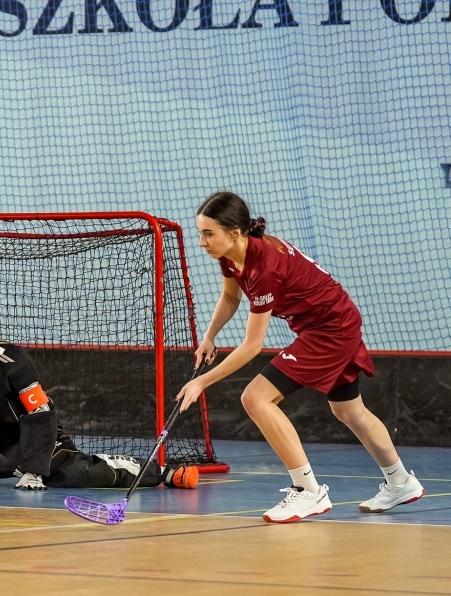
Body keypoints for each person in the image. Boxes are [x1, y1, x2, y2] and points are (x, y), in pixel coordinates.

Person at [176, 191, 424, 523]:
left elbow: (252, 346)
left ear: (234, 233)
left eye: (208, 234)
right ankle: (401, 482)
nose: (202, 242)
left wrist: (202, 382)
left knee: (255, 398)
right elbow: (230, 296)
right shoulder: (231, 256)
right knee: (349, 410)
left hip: (331, 329)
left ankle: (308, 491)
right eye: (200, 233)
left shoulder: (264, 267)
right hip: (328, 323)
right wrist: (210, 336)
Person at [0, 292, 198, 491]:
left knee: (76, 474)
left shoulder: (14, 361)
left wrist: (33, 468)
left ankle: (162, 473)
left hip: (26, 443)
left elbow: (41, 415)